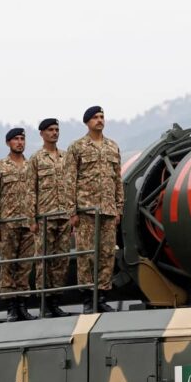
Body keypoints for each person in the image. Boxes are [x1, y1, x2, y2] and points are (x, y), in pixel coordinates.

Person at [64, 106, 123, 313]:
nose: (100, 120)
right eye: (95, 118)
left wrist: (119, 209)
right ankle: (89, 299)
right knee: (87, 256)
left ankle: (102, 296)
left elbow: (117, 180)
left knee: (107, 255)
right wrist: (72, 212)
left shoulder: (112, 147)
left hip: (108, 210)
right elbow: (69, 181)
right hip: (86, 211)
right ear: (87, 122)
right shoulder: (77, 147)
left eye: (102, 117)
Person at [0, 127, 37, 322]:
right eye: (15, 139)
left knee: (24, 266)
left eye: (22, 139)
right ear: (8, 143)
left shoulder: (31, 166)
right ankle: (11, 307)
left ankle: (23, 305)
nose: (19, 142)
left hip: (27, 223)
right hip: (8, 224)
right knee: (8, 265)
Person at [29, 118, 71, 317]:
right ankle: (44, 302)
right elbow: (30, 190)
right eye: (50, 130)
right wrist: (32, 218)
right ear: (42, 134)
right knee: (43, 260)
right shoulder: (37, 159)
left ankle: (55, 301)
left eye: (56, 130)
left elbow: (72, 185)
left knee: (61, 260)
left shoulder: (66, 157)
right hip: (44, 216)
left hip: (64, 215)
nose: (54, 133)